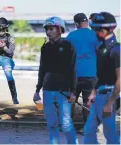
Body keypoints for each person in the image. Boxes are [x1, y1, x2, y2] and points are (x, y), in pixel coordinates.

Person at [33, 16, 77, 144]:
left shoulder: (69, 46)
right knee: (51, 124)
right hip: (47, 90)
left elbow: (73, 69)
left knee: (66, 123)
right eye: (47, 29)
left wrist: (73, 91)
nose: (48, 32)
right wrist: (37, 90)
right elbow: (42, 69)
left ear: (60, 29)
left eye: (51, 29)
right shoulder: (45, 47)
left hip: (64, 91)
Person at [84, 12, 120, 144]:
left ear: (110, 29)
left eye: (99, 30)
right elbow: (100, 75)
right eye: (94, 29)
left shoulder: (117, 49)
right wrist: (93, 93)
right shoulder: (101, 49)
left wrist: (110, 103)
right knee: (88, 130)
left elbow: (120, 79)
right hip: (99, 95)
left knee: (109, 133)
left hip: (109, 95)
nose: (96, 33)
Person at [66, 13, 100, 133]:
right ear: (87, 22)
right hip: (91, 74)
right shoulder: (95, 35)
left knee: (71, 100)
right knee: (88, 102)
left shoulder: (71, 36)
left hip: (74, 74)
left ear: (76, 24)